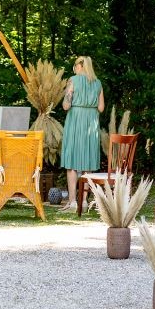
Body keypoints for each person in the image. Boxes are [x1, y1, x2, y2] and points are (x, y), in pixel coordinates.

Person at [60, 56, 104, 212]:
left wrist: (70, 96)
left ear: (80, 66)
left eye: (75, 65)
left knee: (72, 160)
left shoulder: (73, 80)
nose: (74, 68)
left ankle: (72, 202)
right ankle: (84, 201)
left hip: (75, 120)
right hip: (91, 122)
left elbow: (66, 106)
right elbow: (101, 108)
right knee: (87, 161)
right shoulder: (98, 83)